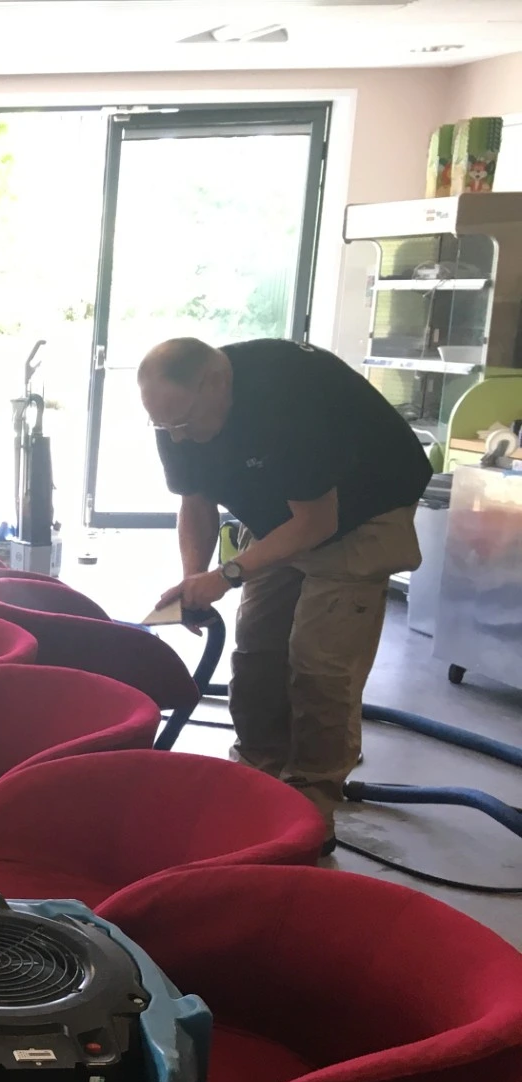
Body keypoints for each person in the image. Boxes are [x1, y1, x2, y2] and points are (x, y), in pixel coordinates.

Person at [144, 336, 428, 836]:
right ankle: (256, 767)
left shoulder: (290, 402)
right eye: (165, 427)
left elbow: (317, 524)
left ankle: (311, 798)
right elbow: (195, 499)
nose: (178, 438)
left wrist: (230, 573)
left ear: (217, 382)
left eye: (183, 425)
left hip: (361, 512)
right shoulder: (178, 410)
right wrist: (195, 578)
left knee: (319, 662)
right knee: (257, 648)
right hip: (282, 514)